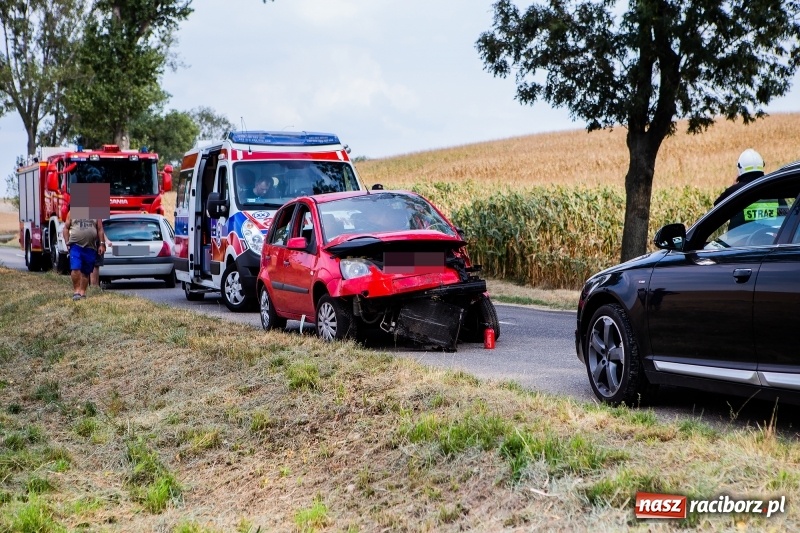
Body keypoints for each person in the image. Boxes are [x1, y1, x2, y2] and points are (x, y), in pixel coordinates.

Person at [63, 211, 106, 300]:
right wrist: (67, 242)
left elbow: (100, 229)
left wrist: (102, 244)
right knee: (76, 268)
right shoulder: (72, 213)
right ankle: (76, 291)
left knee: (86, 272)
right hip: (75, 245)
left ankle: (82, 292)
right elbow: (66, 228)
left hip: (90, 247)